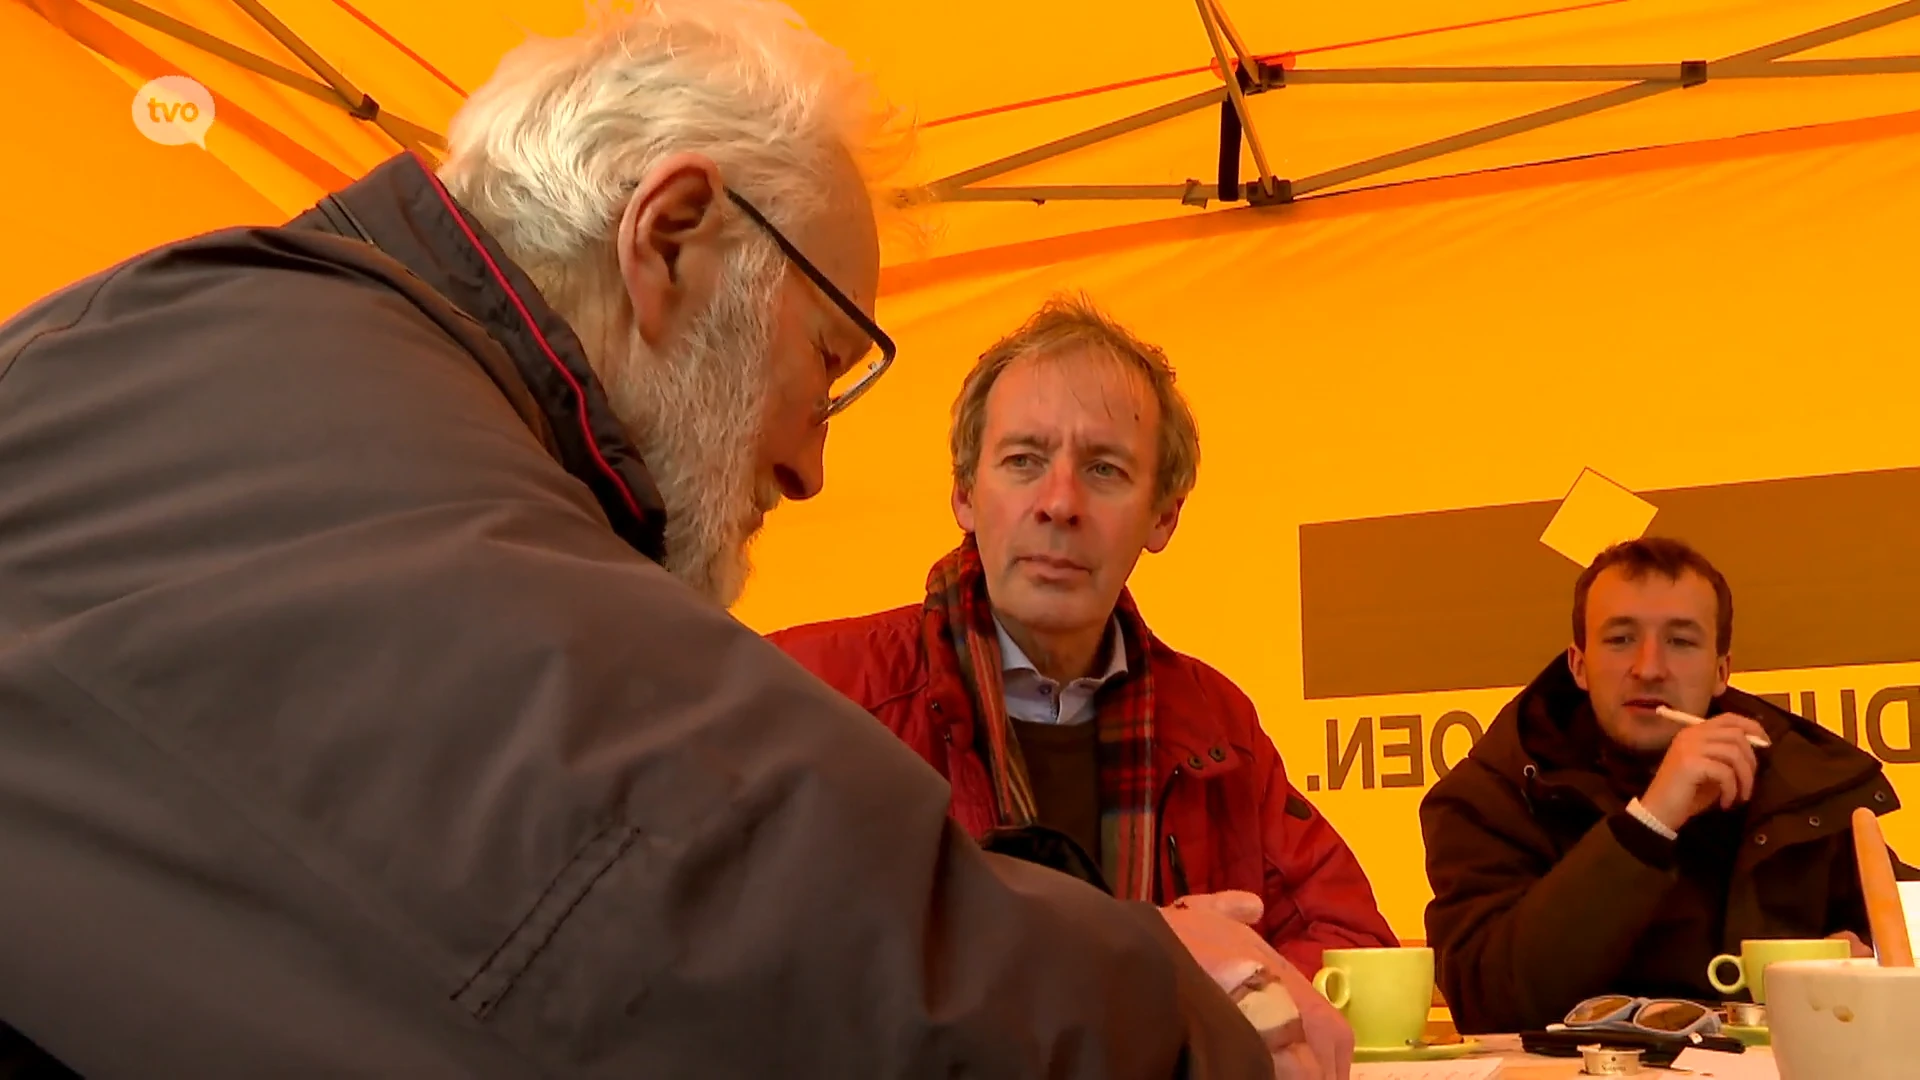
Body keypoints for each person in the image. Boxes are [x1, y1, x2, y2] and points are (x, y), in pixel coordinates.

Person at [0, 4, 1291, 1076]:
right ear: (671, 239)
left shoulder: (163, 330)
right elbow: (752, 911)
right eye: (826, 363)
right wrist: (1181, 1015)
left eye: (1107, 471)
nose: (810, 462)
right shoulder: (399, 473)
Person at [770, 293, 1400, 1074]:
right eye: (1023, 461)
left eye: (1104, 470)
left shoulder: (1217, 722)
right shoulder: (814, 691)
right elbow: (768, 972)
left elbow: (1352, 942)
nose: (1060, 504)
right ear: (965, 495)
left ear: (1163, 516)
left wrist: (1230, 995)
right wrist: (1151, 959)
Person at [1421, 536, 1912, 1034]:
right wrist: (1650, 821)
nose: (1649, 668)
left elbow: (1901, 917)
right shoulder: (1490, 795)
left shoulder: (1800, 780)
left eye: (1680, 641)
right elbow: (1488, 1002)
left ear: (1721, 671)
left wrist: (1872, 958)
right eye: (1620, 640)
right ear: (1578, 665)